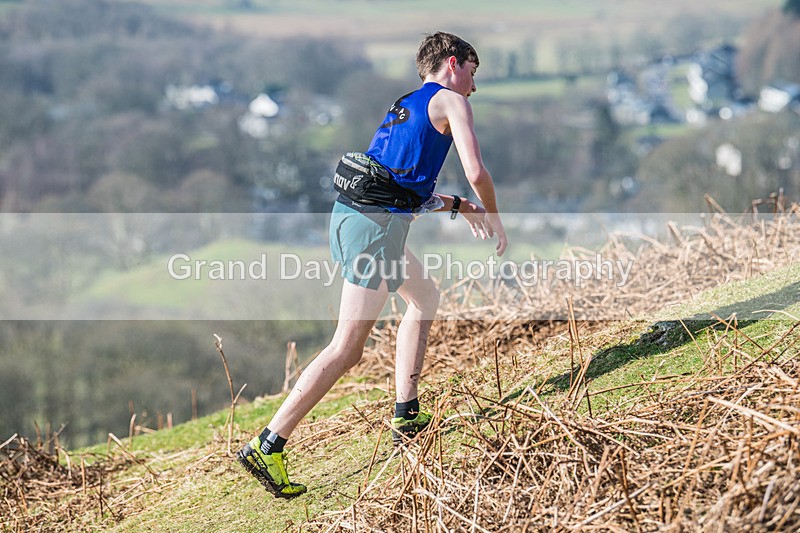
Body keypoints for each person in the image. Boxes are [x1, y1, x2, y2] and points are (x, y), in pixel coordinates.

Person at [237, 31, 508, 499]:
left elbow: (400, 187)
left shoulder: (408, 104)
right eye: (472, 71)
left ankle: (406, 413)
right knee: (347, 349)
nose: (474, 86)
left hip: (355, 218)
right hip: (375, 230)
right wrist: (495, 214)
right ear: (453, 62)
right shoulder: (452, 102)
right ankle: (268, 444)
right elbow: (476, 171)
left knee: (424, 298)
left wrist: (459, 206)